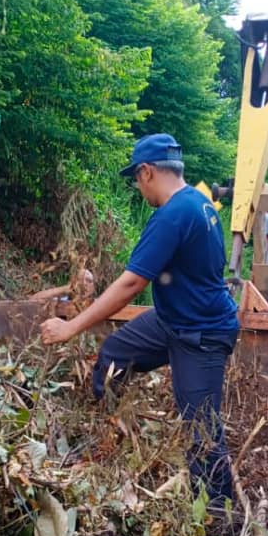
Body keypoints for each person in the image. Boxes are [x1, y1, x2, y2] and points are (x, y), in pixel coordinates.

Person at [40, 133, 240, 508]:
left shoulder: (173, 214)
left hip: (201, 333)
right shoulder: (200, 202)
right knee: (114, 356)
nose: (138, 186)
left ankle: (220, 522)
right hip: (171, 320)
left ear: (147, 171)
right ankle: (108, 439)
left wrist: (70, 327)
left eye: (136, 178)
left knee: (201, 432)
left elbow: (132, 283)